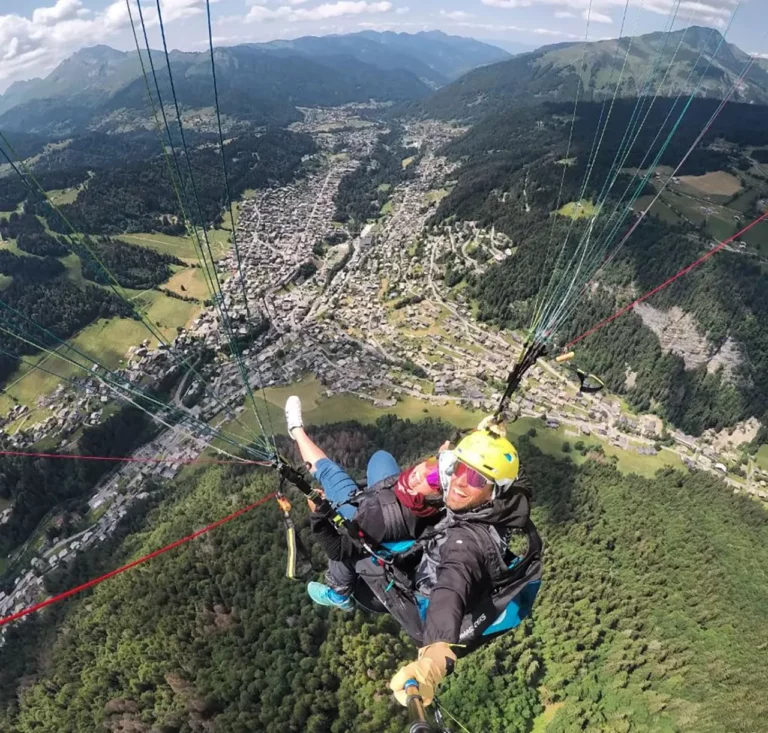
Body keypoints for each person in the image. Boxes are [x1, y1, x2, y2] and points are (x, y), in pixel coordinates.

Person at [284, 395, 444, 611]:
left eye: (434, 479)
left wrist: (318, 513)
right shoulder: (441, 505)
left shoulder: (377, 521)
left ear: (437, 497)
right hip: (389, 510)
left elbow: (337, 550)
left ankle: (339, 592)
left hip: (379, 534)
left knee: (331, 475)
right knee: (381, 457)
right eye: (433, 463)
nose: (423, 471)